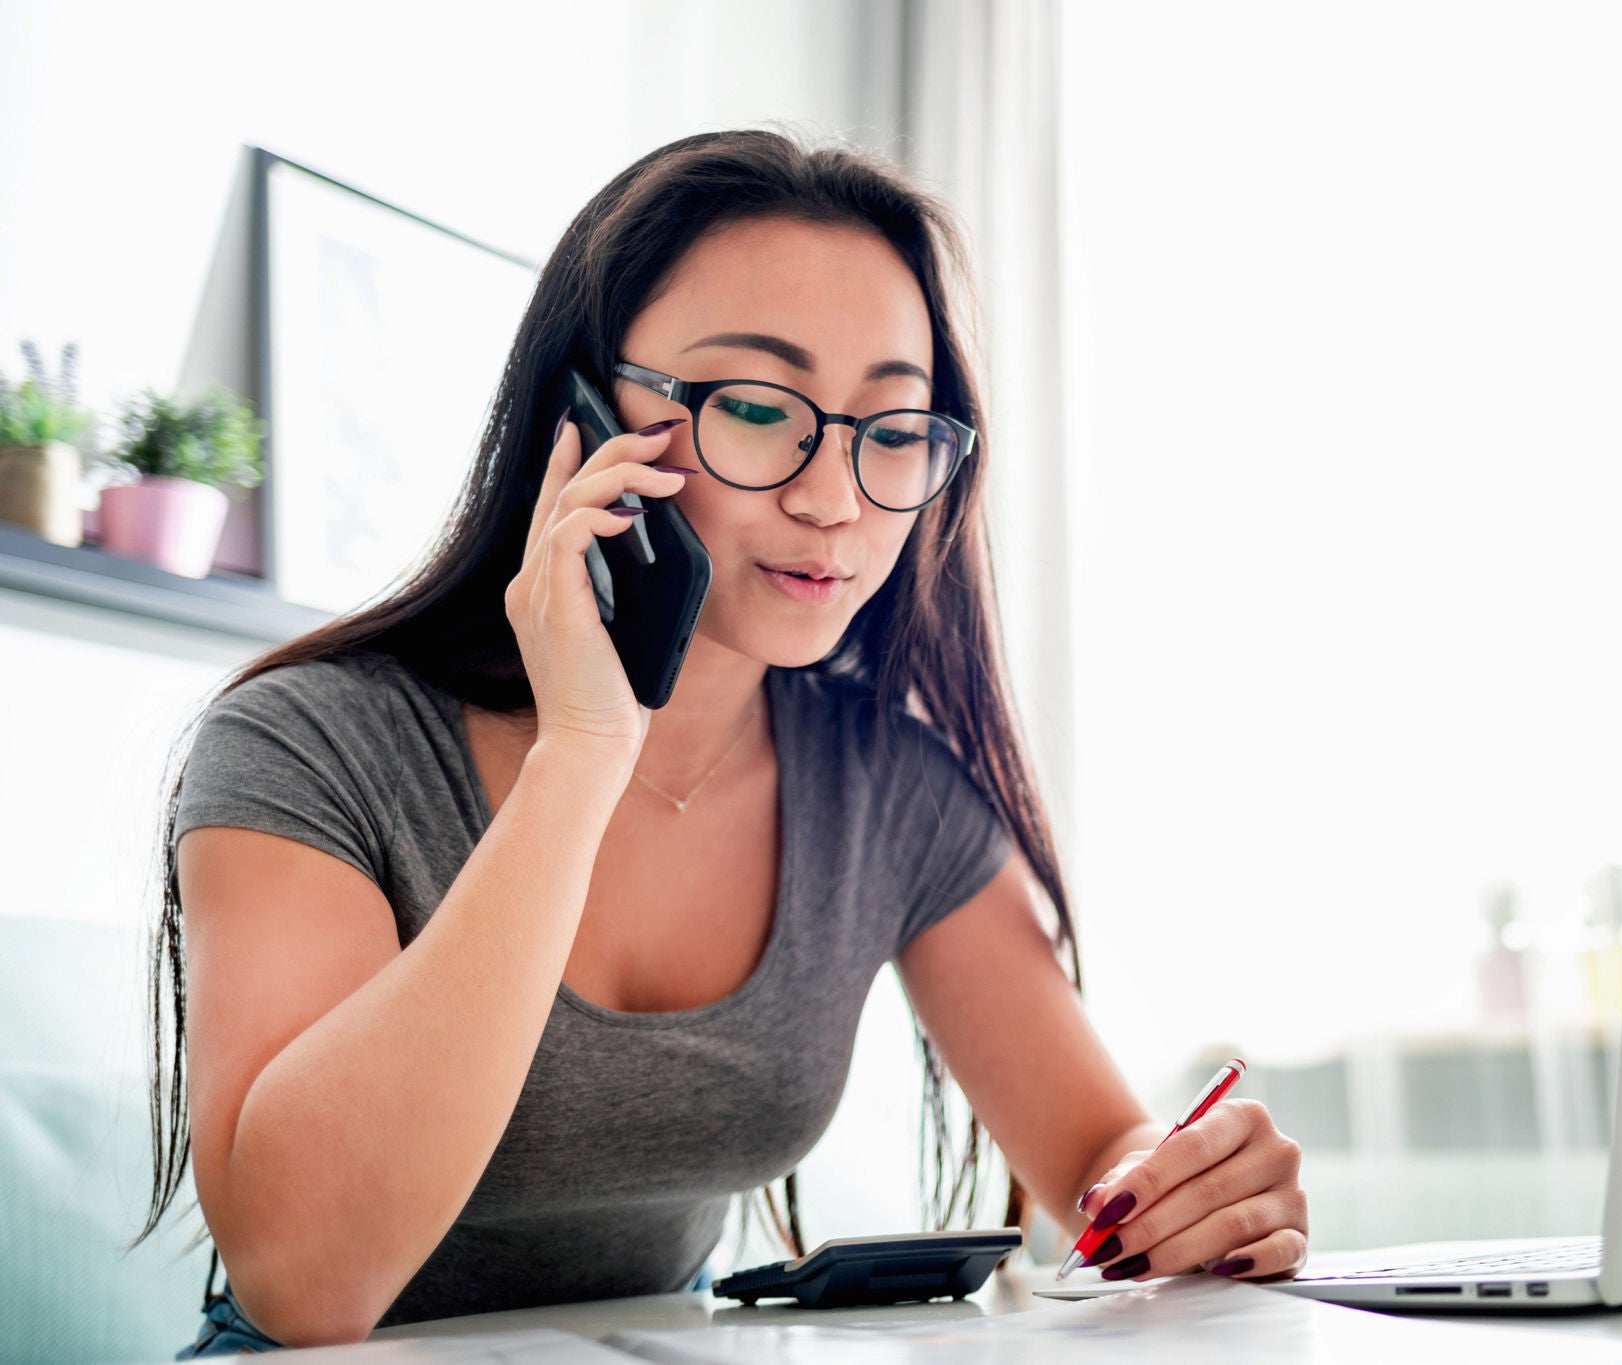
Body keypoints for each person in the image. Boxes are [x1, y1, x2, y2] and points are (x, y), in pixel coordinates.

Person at [136, 129, 1308, 1353]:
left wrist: (1188, 1191)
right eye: (754, 407)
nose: (834, 497)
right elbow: (302, 1284)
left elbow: (1097, 1163)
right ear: (581, 415)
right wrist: (582, 757)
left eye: (895, 428)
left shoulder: (882, 789)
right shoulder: (307, 745)